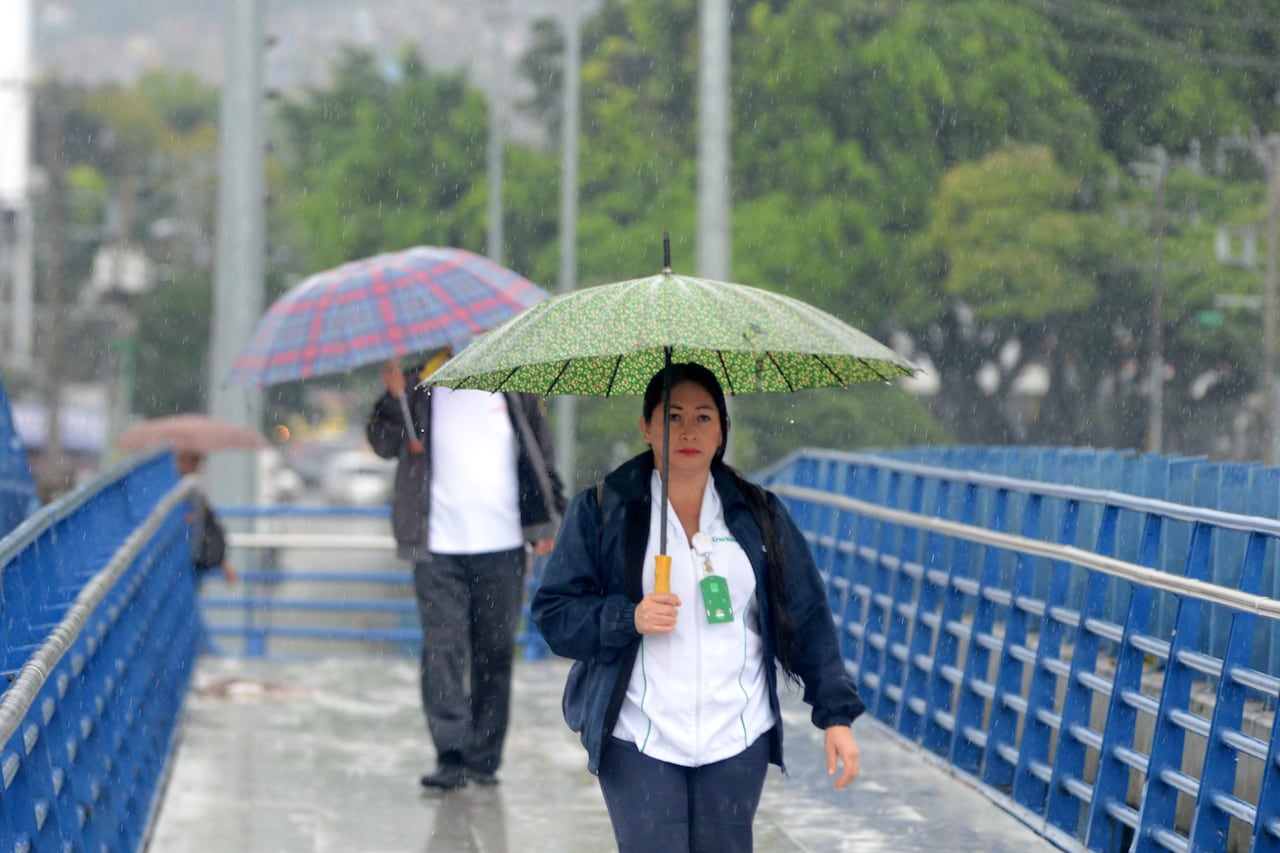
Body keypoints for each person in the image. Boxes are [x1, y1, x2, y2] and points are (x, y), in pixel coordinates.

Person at [531, 362, 863, 852]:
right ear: (646, 426)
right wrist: (630, 617)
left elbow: (807, 614)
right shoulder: (603, 509)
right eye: (673, 417)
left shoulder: (758, 513)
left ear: (723, 429)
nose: (688, 430)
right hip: (638, 733)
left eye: (704, 417)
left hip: (737, 732)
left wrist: (836, 716)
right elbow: (556, 615)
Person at [367, 349, 567, 791]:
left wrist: (548, 519)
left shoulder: (515, 385)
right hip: (437, 546)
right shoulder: (417, 387)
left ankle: (484, 757)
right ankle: (451, 753)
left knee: (495, 651)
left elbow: (541, 455)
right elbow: (383, 445)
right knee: (443, 647)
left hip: (502, 544)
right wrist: (390, 397)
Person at [176, 451, 238, 585]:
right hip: (183, 563)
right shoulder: (189, 490)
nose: (196, 465)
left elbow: (208, 525)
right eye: (194, 460)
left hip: (186, 563)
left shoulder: (192, 490)